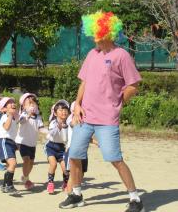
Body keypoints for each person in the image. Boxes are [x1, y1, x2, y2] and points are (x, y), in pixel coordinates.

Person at [59, 11, 144, 212]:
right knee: (75, 155)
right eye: (92, 33)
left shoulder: (121, 55)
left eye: (97, 33)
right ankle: (77, 194)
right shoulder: (92, 54)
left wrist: (118, 102)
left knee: (114, 158)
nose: (93, 37)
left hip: (107, 119)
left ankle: (135, 199)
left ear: (107, 33)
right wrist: (77, 104)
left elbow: (133, 85)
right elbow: (84, 83)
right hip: (84, 116)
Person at [15, 93, 44, 190]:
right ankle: (26, 180)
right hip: (21, 142)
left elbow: (41, 129)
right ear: (23, 106)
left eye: (34, 103)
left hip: (32, 143)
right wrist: (27, 114)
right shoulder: (23, 115)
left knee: (31, 162)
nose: (32, 105)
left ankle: (25, 176)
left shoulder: (38, 118)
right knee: (26, 160)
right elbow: (21, 121)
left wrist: (48, 133)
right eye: (29, 103)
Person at [44, 100, 70, 194]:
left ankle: (66, 184)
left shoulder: (69, 123)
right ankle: (50, 183)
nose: (63, 111)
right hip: (51, 146)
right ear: (55, 113)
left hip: (62, 148)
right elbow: (52, 133)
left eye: (65, 109)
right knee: (53, 164)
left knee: (65, 168)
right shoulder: (53, 123)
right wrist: (58, 126)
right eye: (60, 110)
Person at [0, 97, 19, 195]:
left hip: (10, 142)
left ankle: (5, 186)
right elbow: (6, 127)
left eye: (13, 102)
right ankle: (9, 186)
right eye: (9, 103)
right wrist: (9, 115)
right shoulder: (5, 116)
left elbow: (13, 132)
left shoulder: (13, 118)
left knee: (10, 165)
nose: (13, 104)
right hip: (4, 141)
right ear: (4, 109)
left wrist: (15, 143)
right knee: (13, 163)